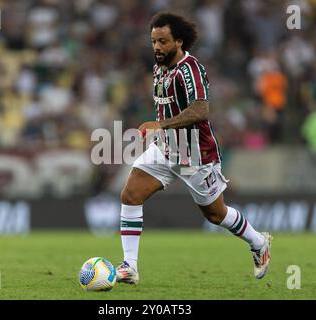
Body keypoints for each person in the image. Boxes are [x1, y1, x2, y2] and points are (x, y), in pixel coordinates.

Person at [116, 12, 272, 285]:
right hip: (165, 149)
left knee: (215, 214)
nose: (156, 47)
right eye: (153, 41)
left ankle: (258, 242)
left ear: (179, 41)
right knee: (130, 195)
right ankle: (129, 266)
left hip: (196, 154)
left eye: (163, 42)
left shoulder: (190, 69)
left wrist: (161, 125)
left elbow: (201, 110)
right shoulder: (159, 67)